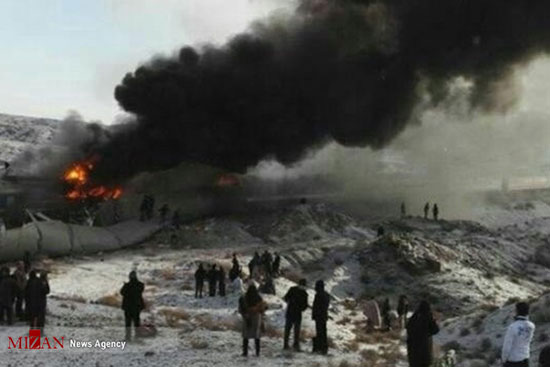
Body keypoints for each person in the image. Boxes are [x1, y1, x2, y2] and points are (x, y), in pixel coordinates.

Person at [406, 301, 439, 367]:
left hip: (413, 348)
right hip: (425, 348)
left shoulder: (414, 316)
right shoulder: (429, 316)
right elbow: (435, 330)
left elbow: (408, 328)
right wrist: (435, 321)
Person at [502, 302, 535, 367]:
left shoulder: (512, 327)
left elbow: (506, 347)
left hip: (513, 361)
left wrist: (504, 360)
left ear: (517, 311)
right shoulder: (532, 326)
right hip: (525, 359)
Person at [238, 284, 267, 357]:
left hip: (247, 318)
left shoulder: (244, 298)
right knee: (257, 337)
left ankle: (245, 352)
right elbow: (263, 308)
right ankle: (257, 353)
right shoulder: (258, 298)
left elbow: (240, 309)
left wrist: (245, 314)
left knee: (246, 337)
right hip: (256, 318)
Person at [283, 279, 309, 351]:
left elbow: (305, 305)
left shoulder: (303, 293)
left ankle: (293, 344)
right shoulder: (294, 290)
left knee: (294, 330)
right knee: (291, 329)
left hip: (294, 313)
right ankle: (288, 345)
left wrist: (300, 307)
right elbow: (286, 298)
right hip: (293, 313)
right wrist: (293, 302)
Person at [120, 271, 145, 341]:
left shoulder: (127, 285)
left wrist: (125, 285)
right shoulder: (140, 285)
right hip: (137, 306)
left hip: (128, 307)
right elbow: (141, 290)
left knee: (128, 322)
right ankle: (137, 335)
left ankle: (128, 337)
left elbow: (122, 292)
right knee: (137, 321)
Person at [312, 280, 330, 355]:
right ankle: (324, 348)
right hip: (324, 316)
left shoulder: (318, 295)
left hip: (319, 316)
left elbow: (316, 306)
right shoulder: (326, 295)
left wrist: (314, 315)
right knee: (323, 332)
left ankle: (319, 348)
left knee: (319, 332)